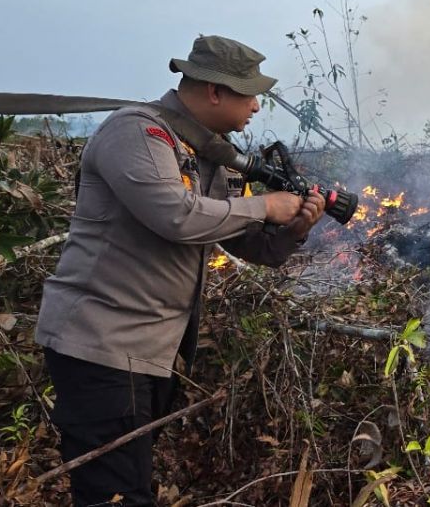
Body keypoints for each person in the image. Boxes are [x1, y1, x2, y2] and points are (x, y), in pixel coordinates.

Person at [36, 36, 325, 506]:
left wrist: (292, 229)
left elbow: (250, 244)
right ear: (215, 91)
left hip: (148, 352)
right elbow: (177, 216)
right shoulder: (137, 133)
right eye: (249, 94)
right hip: (102, 346)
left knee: (124, 486)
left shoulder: (207, 153)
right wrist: (263, 205)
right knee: (117, 497)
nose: (255, 106)